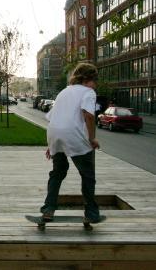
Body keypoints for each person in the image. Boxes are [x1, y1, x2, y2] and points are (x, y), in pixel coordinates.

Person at [40, 62, 101, 224]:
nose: (95, 85)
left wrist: (52, 144)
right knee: (87, 174)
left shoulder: (64, 92)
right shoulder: (89, 92)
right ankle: (91, 213)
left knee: (57, 172)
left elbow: (55, 117)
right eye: (95, 81)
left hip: (54, 133)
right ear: (90, 79)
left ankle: (48, 209)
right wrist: (92, 138)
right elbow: (88, 115)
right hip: (74, 135)